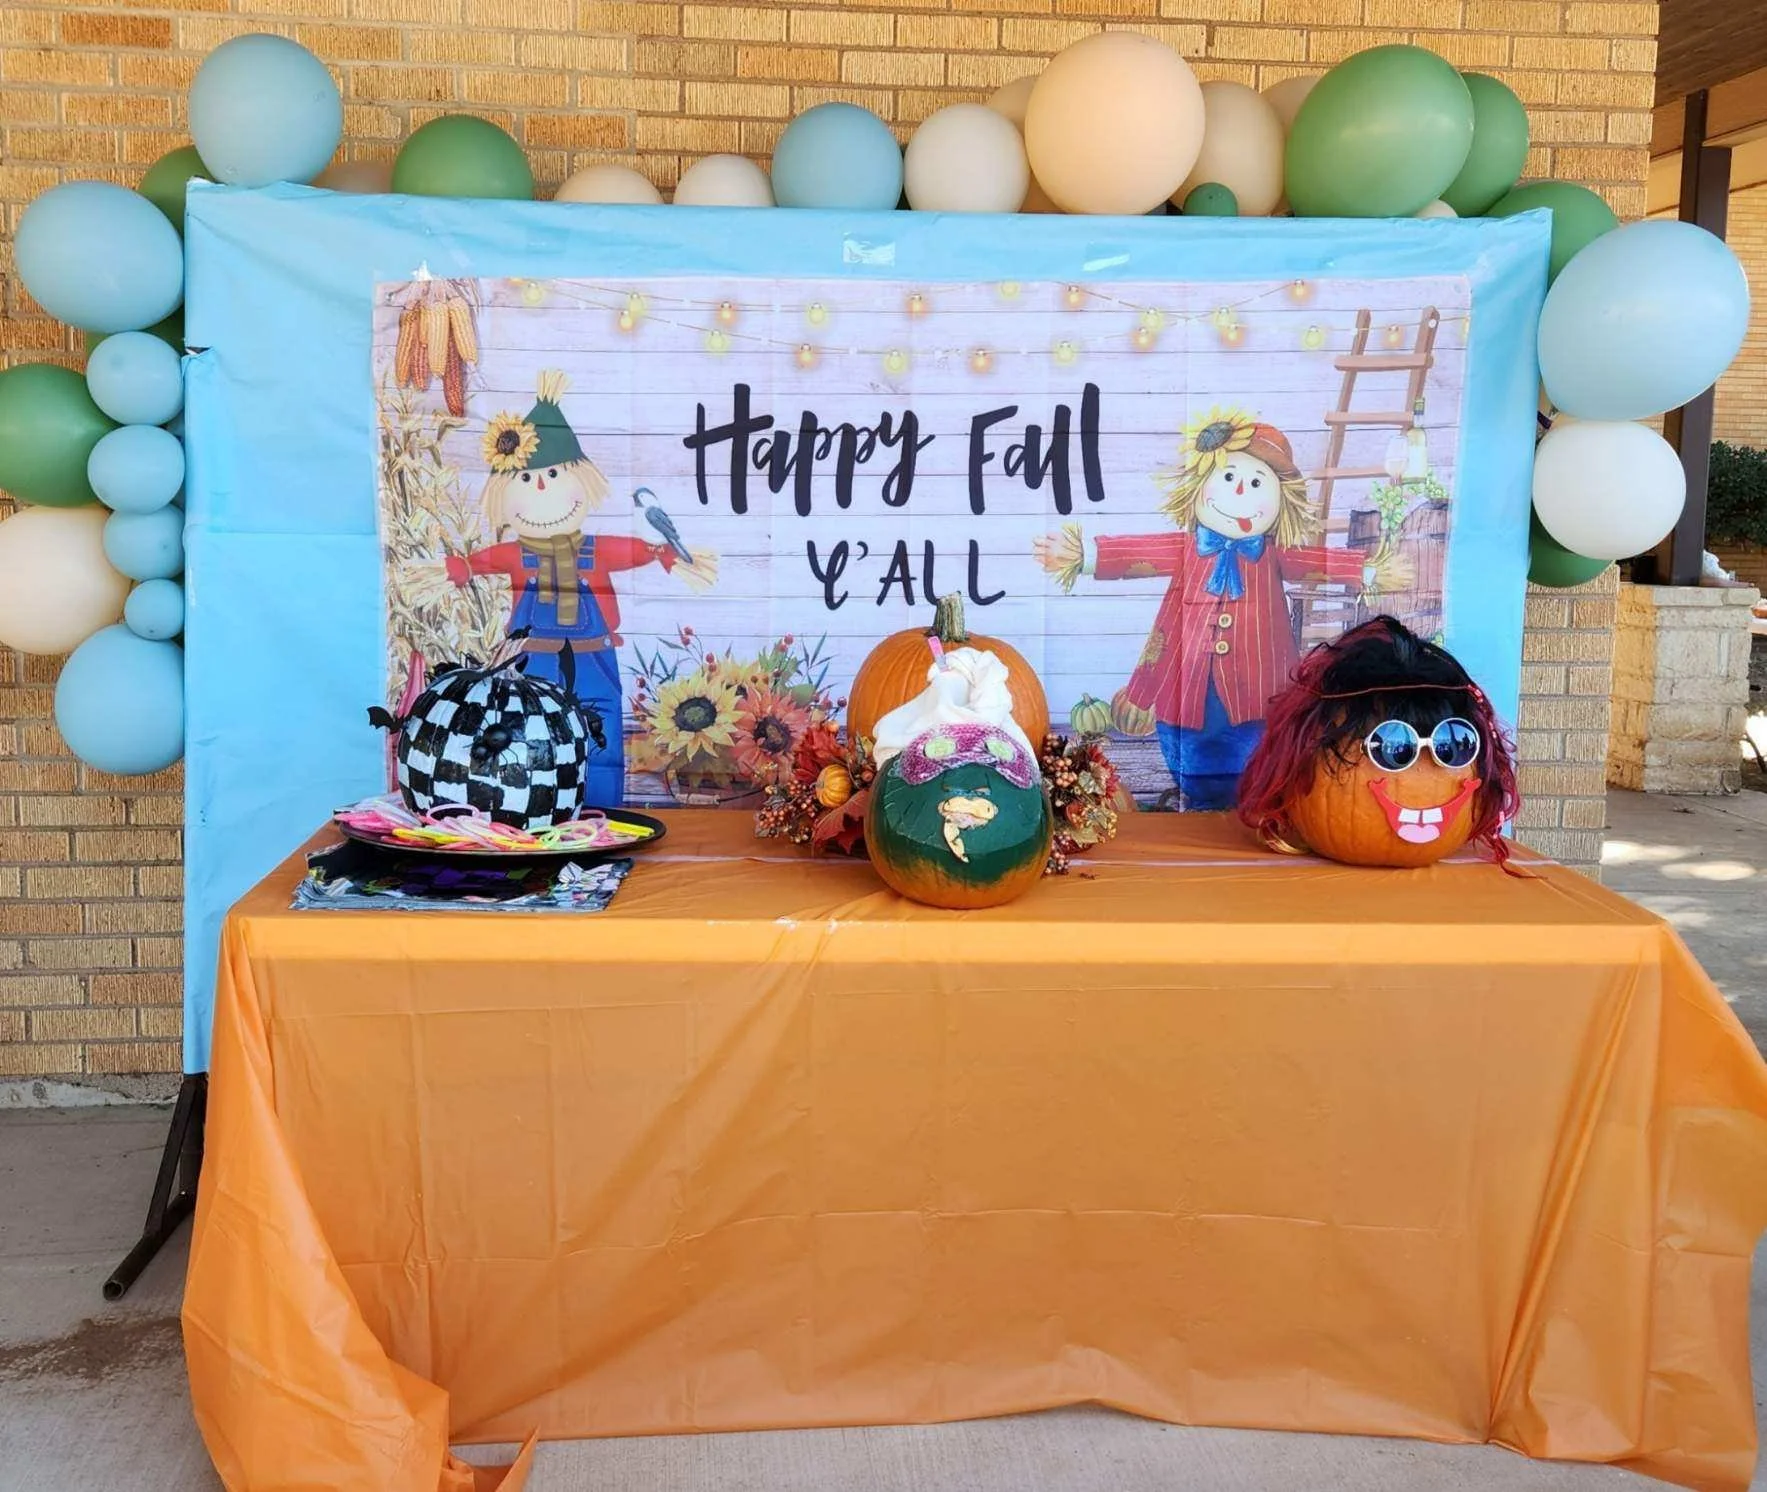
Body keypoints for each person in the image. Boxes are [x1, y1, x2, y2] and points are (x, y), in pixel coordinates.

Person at [1036, 408, 1403, 810]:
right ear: (1200, 486)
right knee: (1187, 746)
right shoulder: (1185, 549)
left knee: (1256, 746)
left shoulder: (1273, 555)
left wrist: (1368, 570)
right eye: (1229, 478)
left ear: (1282, 501)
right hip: (1185, 686)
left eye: (1256, 482)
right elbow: (1135, 553)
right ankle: (1196, 795)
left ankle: (1250, 796)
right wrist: (1082, 555)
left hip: (1259, 689)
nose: (1241, 492)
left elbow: (1319, 562)